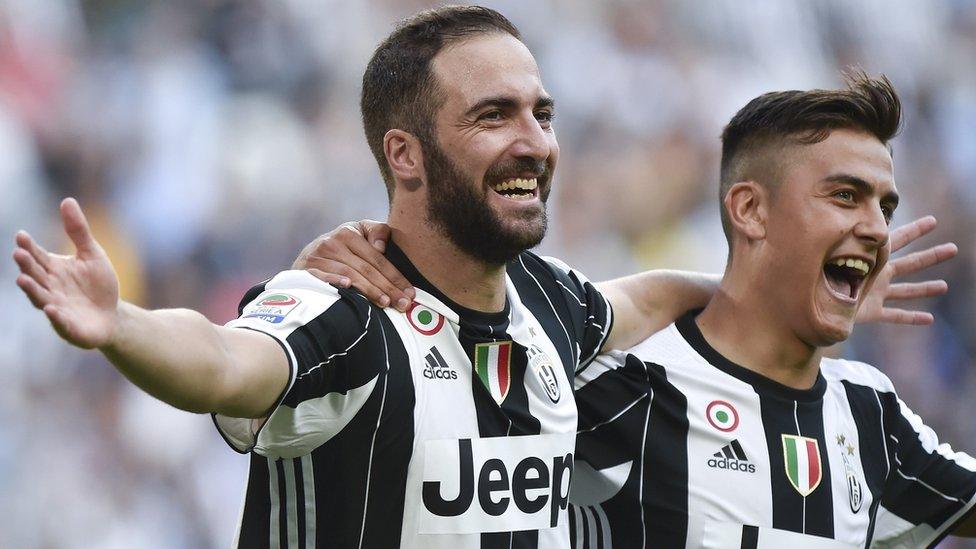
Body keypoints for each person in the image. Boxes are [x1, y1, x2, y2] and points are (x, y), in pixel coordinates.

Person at [11, 7, 954, 549]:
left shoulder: (549, 303)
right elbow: (225, 363)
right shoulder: (349, 296)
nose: (536, 141)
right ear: (406, 154)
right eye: (494, 115)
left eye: (543, 112)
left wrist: (804, 282)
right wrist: (120, 324)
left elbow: (643, 298)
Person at [564, 73, 976, 548]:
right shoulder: (632, 389)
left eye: (884, 208)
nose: (878, 231)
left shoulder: (871, 417)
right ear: (751, 210)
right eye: (845, 196)